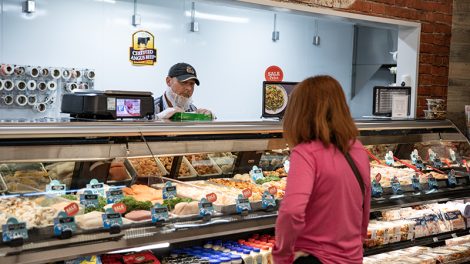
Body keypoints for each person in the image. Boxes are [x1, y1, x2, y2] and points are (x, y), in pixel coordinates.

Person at [273, 75, 371, 264]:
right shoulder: (357, 148)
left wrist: (283, 254)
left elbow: (292, 211)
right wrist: (355, 246)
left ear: (299, 112)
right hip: (352, 257)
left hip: (315, 258)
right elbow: (364, 206)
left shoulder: (306, 152)